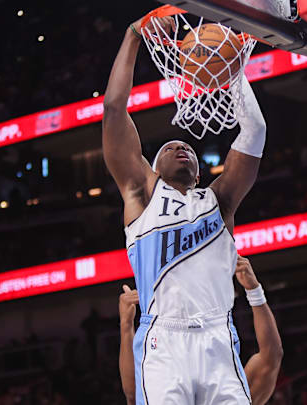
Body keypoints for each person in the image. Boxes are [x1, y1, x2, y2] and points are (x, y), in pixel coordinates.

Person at [103, 11, 267, 405]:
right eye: (170, 147)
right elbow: (113, 109)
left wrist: (232, 68)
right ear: (152, 167)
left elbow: (255, 131)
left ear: (198, 172)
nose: (181, 147)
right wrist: (133, 35)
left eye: (189, 148)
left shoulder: (219, 200)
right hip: (164, 342)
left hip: (217, 339)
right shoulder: (141, 196)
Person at [119, 256, 282, 405]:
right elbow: (134, 394)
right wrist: (126, 326)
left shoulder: (230, 388)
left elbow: (271, 357)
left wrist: (254, 291)